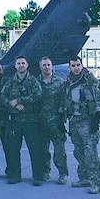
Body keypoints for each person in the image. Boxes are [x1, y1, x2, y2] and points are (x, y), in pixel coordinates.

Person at [62, 55, 100, 194]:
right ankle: (84, 178)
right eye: (73, 66)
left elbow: (99, 99)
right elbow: (65, 101)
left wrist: (96, 119)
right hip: (74, 121)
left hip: (87, 121)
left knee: (90, 153)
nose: (76, 68)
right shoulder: (67, 81)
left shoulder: (90, 80)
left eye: (78, 65)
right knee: (78, 152)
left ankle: (95, 182)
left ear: (82, 65)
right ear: (69, 67)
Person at [1, 56, 43, 186]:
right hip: (15, 121)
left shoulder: (33, 81)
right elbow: (2, 96)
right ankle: (15, 175)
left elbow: (38, 95)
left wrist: (20, 101)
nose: (21, 65)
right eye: (18, 63)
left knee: (34, 149)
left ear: (27, 65)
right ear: (15, 66)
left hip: (31, 120)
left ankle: (37, 176)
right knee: (13, 149)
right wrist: (11, 104)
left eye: (23, 63)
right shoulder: (10, 83)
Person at [38, 56, 68, 184]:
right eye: (44, 65)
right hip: (41, 122)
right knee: (43, 150)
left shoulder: (60, 82)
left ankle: (63, 174)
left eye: (48, 65)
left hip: (56, 121)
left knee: (59, 151)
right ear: (40, 67)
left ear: (52, 66)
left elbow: (65, 101)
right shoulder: (35, 83)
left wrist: (62, 118)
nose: (46, 67)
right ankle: (45, 172)